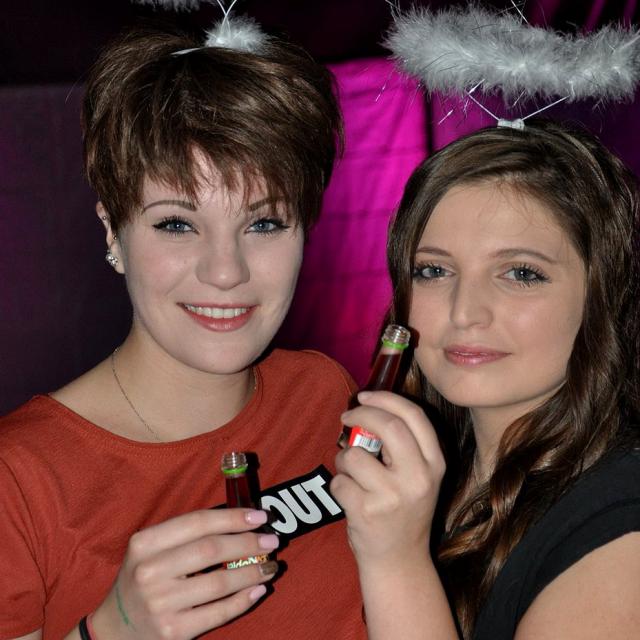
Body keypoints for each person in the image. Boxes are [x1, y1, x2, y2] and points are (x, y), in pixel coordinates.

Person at [0, 23, 367, 640]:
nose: (225, 272)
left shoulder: (325, 393)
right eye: (176, 224)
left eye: (264, 224)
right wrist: (112, 630)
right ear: (113, 231)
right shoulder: (19, 479)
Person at [332, 118, 640, 639]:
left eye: (521, 273)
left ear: (600, 294)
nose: (465, 312)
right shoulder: (421, 471)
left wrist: (395, 561)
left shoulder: (621, 530)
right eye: (434, 270)